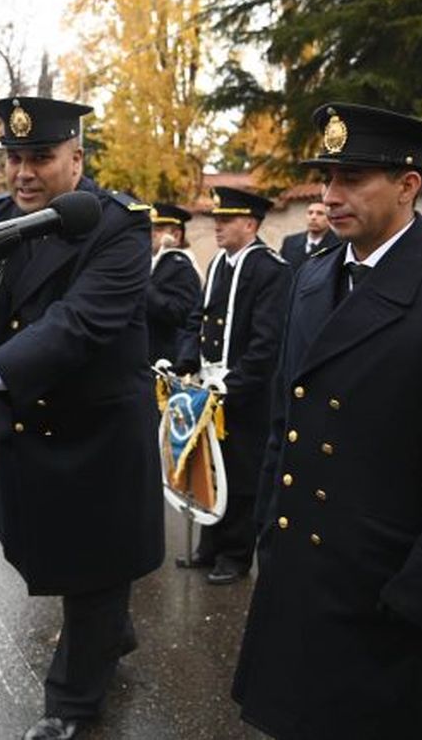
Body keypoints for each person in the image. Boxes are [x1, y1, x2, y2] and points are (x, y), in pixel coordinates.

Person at [232, 103, 422, 739]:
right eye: (326, 178)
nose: (330, 195)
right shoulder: (315, 278)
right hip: (299, 579)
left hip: (384, 597)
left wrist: (419, 603)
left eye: (353, 179)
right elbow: (287, 420)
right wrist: (267, 534)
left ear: (407, 186)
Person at [0, 96, 164, 740]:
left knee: (97, 563)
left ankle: (71, 706)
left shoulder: (118, 225)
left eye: (40, 157)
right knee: (45, 544)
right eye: (14, 157)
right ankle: (111, 629)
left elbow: (77, 326)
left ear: (77, 158)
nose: (22, 172)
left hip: (97, 429)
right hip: (29, 425)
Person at [174, 187, 292, 585]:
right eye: (216, 219)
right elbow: (198, 318)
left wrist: (233, 386)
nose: (217, 226)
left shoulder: (271, 270)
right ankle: (210, 545)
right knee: (209, 468)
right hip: (211, 389)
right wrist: (184, 361)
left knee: (241, 475)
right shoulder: (220, 265)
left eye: (226, 220)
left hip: (245, 394)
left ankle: (236, 554)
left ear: (250, 224)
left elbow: (266, 343)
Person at [147, 203, 201, 366]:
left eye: (159, 228)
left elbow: (182, 313)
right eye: (151, 227)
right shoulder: (152, 264)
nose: (152, 233)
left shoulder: (181, 267)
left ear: (176, 236)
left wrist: (144, 289)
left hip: (167, 358)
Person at [280, 201, 338, 266]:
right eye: (310, 213)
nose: (313, 217)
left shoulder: (338, 244)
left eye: (320, 213)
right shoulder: (290, 242)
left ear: (330, 218)